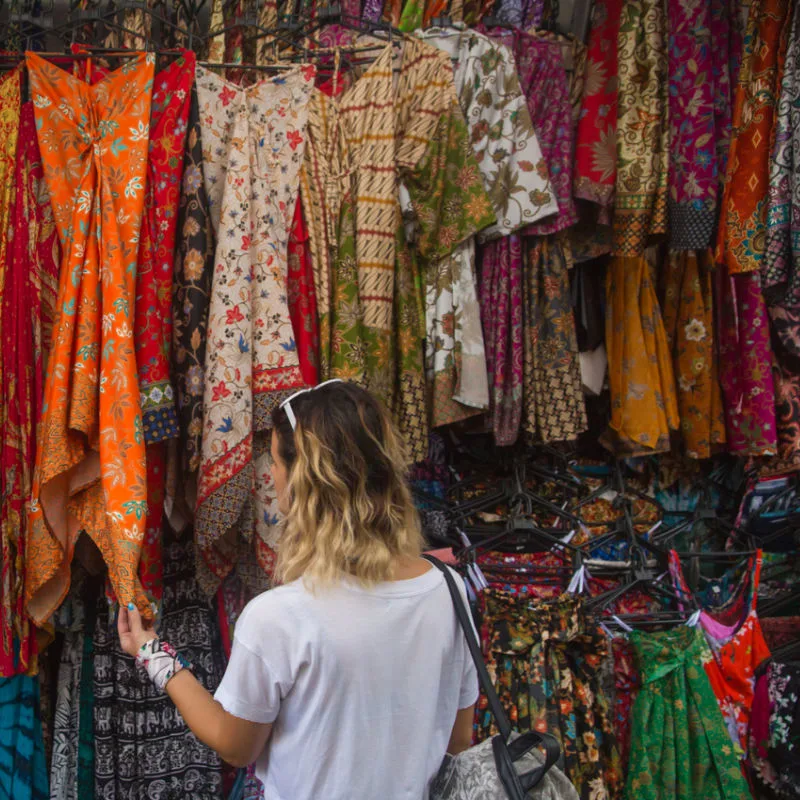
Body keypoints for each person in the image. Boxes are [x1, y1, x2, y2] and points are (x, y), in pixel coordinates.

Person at [118, 380, 478, 799]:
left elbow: (236, 745)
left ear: (304, 479)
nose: (271, 475)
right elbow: (456, 739)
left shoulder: (280, 616)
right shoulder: (448, 590)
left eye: (274, 462)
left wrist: (151, 652)